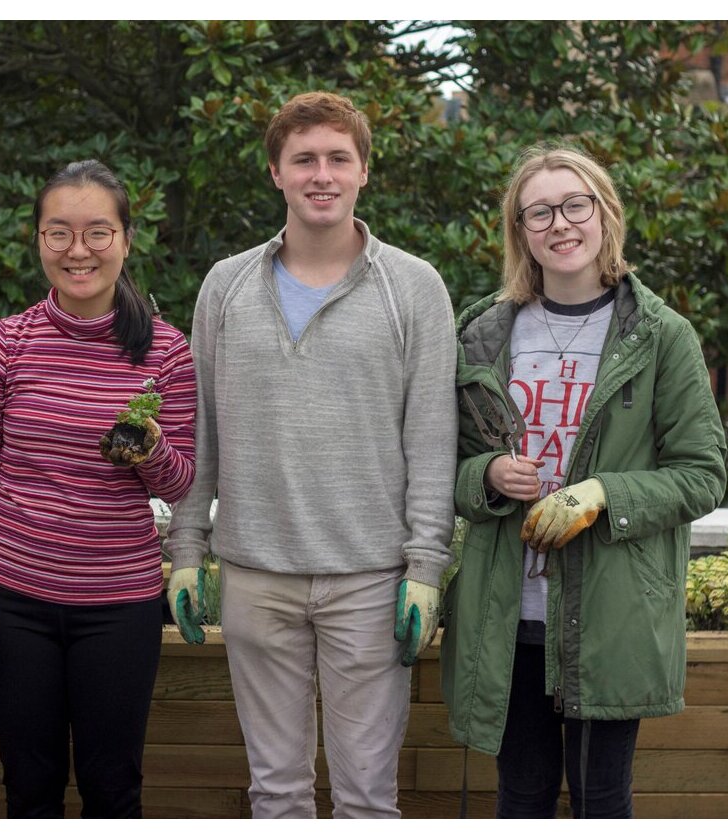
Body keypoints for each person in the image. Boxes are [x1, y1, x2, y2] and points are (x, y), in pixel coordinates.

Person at [164, 91, 458, 819]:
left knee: (367, 795)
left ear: (363, 171)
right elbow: (201, 430)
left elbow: (430, 437)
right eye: (304, 159)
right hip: (255, 574)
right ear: (276, 173)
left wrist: (426, 567)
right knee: (277, 791)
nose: (321, 174)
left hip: (369, 578)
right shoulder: (225, 286)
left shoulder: (413, 288)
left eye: (337, 158)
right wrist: (186, 547)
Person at [440, 144, 727, 818]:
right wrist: (485, 475)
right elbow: (438, 467)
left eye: (575, 205)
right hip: (507, 613)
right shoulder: (481, 334)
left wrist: (603, 494)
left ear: (604, 214)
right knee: (522, 797)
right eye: (538, 212)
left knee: (601, 800)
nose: (559, 223)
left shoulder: (661, 336)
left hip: (609, 613)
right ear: (519, 231)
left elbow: (703, 473)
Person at [0, 159, 196, 818]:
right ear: (39, 241)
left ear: (126, 241)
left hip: (120, 607)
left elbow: (183, 480)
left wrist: (149, 447)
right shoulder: (3, 344)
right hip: (16, 604)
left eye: (98, 232)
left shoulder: (165, 351)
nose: (79, 250)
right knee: (30, 787)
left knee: (113, 789)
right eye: (59, 233)